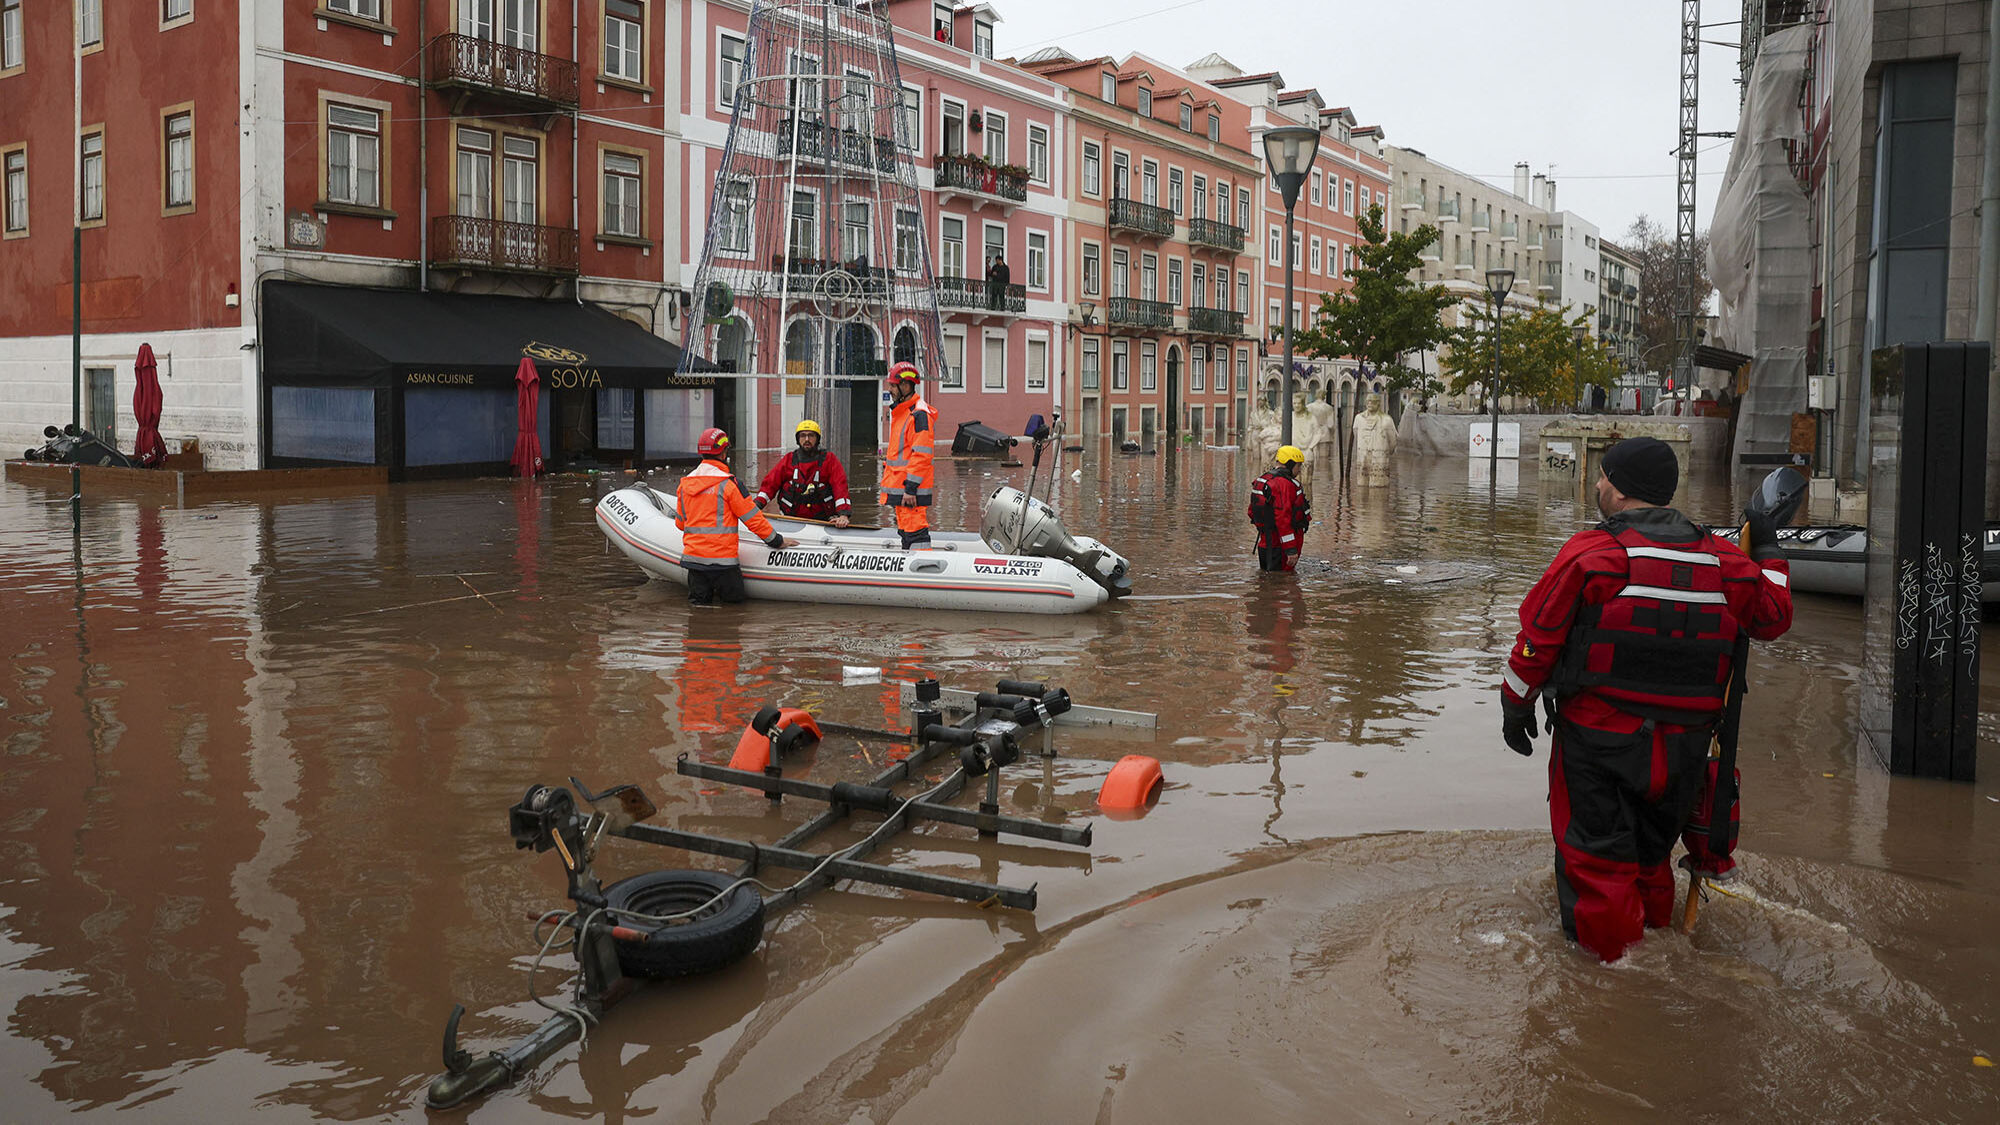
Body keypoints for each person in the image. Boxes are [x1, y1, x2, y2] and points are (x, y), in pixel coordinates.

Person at [1499, 436, 1792, 962]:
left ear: (1619, 489)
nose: (1596, 484)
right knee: (1651, 856)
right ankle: (1657, 947)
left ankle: (1612, 979)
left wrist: (1514, 706)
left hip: (1598, 743)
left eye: (1602, 475)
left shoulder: (1592, 554)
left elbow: (1536, 641)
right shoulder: (1723, 560)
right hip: (1685, 750)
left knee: (1598, 862)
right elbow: (1773, 616)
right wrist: (1768, 552)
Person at [675, 427, 794, 606]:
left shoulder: (685, 485)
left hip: (694, 562)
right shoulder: (729, 484)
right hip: (724, 564)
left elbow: (680, 524)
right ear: (723, 453)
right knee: (733, 611)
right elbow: (753, 519)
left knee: (698, 612)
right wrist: (776, 541)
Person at [881, 362, 938, 549]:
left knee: (915, 533)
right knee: (906, 533)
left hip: (910, 491)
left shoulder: (918, 415)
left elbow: (922, 454)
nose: (889, 389)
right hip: (902, 488)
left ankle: (924, 564)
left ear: (905, 385)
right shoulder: (903, 412)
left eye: (892, 385)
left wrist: (911, 488)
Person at [754, 419, 852, 527]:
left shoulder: (829, 460)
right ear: (798, 439)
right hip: (790, 518)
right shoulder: (789, 460)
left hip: (823, 520)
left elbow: (840, 487)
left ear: (817, 439)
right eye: (803, 436)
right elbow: (769, 485)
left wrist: (843, 515)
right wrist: (756, 506)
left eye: (811, 435)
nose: (807, 439)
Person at [1248, 445, 1311, 572]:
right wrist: (1291, 550)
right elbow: (1283, 519)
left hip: (1265, 542)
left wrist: (1266, 530)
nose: (1299, 470)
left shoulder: (1263, 479)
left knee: (1267, 577)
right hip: (1280, 547)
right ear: (1290, 464)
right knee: (1283, 579)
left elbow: (1251, 512)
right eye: (1298, 465)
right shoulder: (1284, 485)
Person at [1350, 392, 1398, 483]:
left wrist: (1388, 452)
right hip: (1363, 455)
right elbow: (1356, 433)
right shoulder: (1359, 418)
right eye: (1368, 401)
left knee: (1379, 485)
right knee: (1362, 484)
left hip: (1379, 456)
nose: (1369, 403)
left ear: (1378, 403)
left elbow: (1393, 440)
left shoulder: (1387, 420)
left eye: (1372, 401)